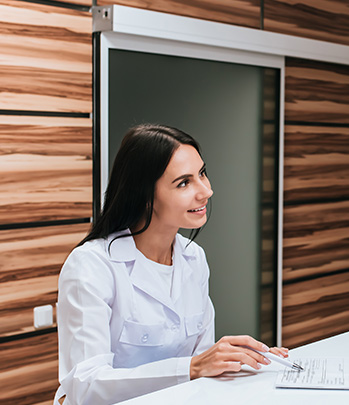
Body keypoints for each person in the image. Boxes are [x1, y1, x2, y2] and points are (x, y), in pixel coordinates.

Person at [55, 124, 288, 404]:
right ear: (144, 195)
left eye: (202, 173)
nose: (205, 191)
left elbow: (202, 366)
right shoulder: (91, 266)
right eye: (184, 183)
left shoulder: (194, 258)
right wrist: (192, 367)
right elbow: (86, 386)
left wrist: (243, 362)